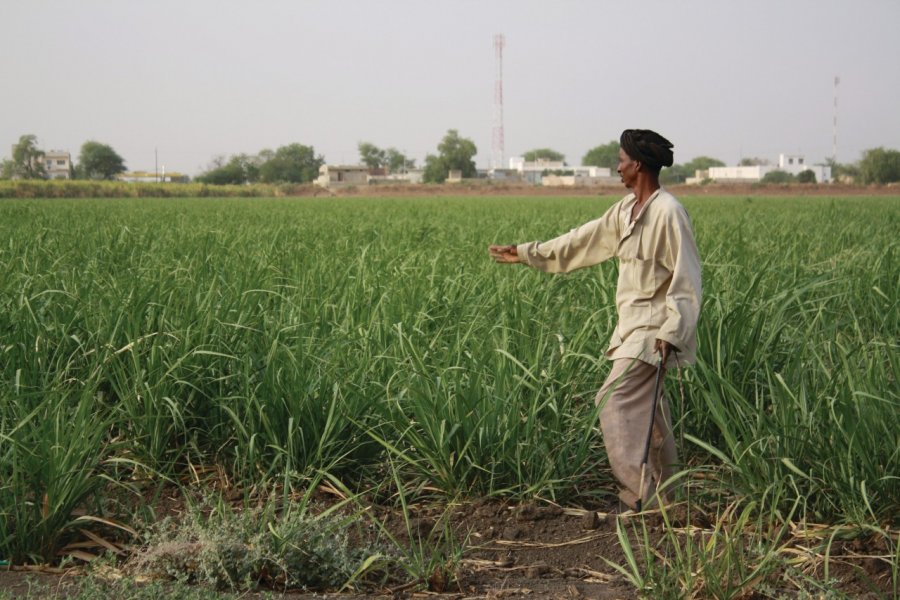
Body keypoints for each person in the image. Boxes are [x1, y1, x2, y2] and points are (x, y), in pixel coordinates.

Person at [488, 129, 702, 511]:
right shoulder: (624, 211)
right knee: (652, 416)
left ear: (637, 164)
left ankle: (641, 498)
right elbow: (581, 241)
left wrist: (674, 331)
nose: (617, 167)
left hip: (654, 333)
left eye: (621, 160)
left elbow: (687, 278)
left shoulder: (669, 212)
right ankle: (671, 500)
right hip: (630, 331)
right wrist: (525, 253)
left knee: (613, 399)